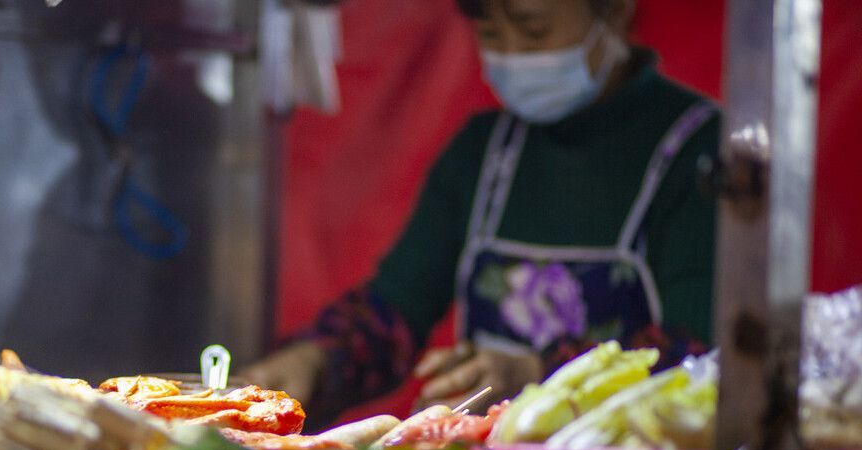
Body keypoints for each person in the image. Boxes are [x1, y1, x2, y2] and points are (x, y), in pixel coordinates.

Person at [244, 0, 719, 423]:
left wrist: (539, 374)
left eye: (533, 29)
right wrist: (316, 361)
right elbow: (396, 310)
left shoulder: (700, 150)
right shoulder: (482, 152)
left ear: (615, 10)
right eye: (490, 33)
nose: (511, 53)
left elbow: (698, 352)